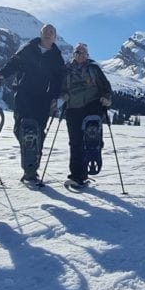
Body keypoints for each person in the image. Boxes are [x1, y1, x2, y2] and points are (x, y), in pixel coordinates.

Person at [0, 23, 65, 182]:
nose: (48, 34)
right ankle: (29, 160)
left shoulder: (56, 57)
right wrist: (2, 74)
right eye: (46, 32)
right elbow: (14, 63)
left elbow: (58, 79)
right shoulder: (28, 48)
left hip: (43, 98)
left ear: (55, 37)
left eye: (51, 32)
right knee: (21, 128)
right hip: (23, 93)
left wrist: (55, 97)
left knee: (38, 131)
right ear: (41, 34)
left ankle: (31, 170)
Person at [60, 42, 112, 187]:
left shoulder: (94, 69)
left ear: (87, 55)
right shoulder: (66, 70)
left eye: (83, 53)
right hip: (73, 108)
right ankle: (78, 176)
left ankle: (93, 158)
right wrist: (63, 95)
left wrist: (106, 97)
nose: (80, 55)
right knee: (75, 142)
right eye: (78, 52)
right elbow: (61, 87)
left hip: (92, 104)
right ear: (74, 54)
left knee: (91, 136)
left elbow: (106, 86)